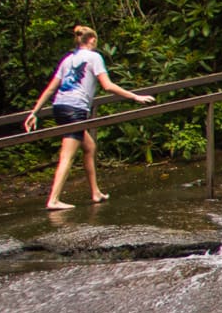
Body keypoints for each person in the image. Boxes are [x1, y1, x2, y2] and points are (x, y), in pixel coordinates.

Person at [24, 24, 156, 210]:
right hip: (75, 109)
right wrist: (135, 96)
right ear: (92, 40)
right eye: (96, 40)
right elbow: (107, 86)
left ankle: (95, 192)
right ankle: (53, 200)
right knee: (67, 156)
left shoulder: (68, 60)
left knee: (90, 146)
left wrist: (34, 111)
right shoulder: (95, 57)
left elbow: (52, 88)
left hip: (60, 107)